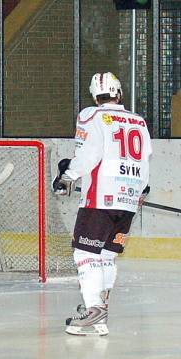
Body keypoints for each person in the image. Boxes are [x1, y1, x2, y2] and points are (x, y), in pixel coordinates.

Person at [52, 72, 152, 336]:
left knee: (85, 254)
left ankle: (93, 309)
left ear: (95, 95)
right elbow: (146, 158)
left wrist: (67, 175)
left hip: (100, 198)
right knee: (107, 255)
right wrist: (141, 190)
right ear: (118, 93)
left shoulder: (92, 116)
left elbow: (89, 153)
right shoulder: (138, 121)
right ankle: (101, 314)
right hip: (129, 199)